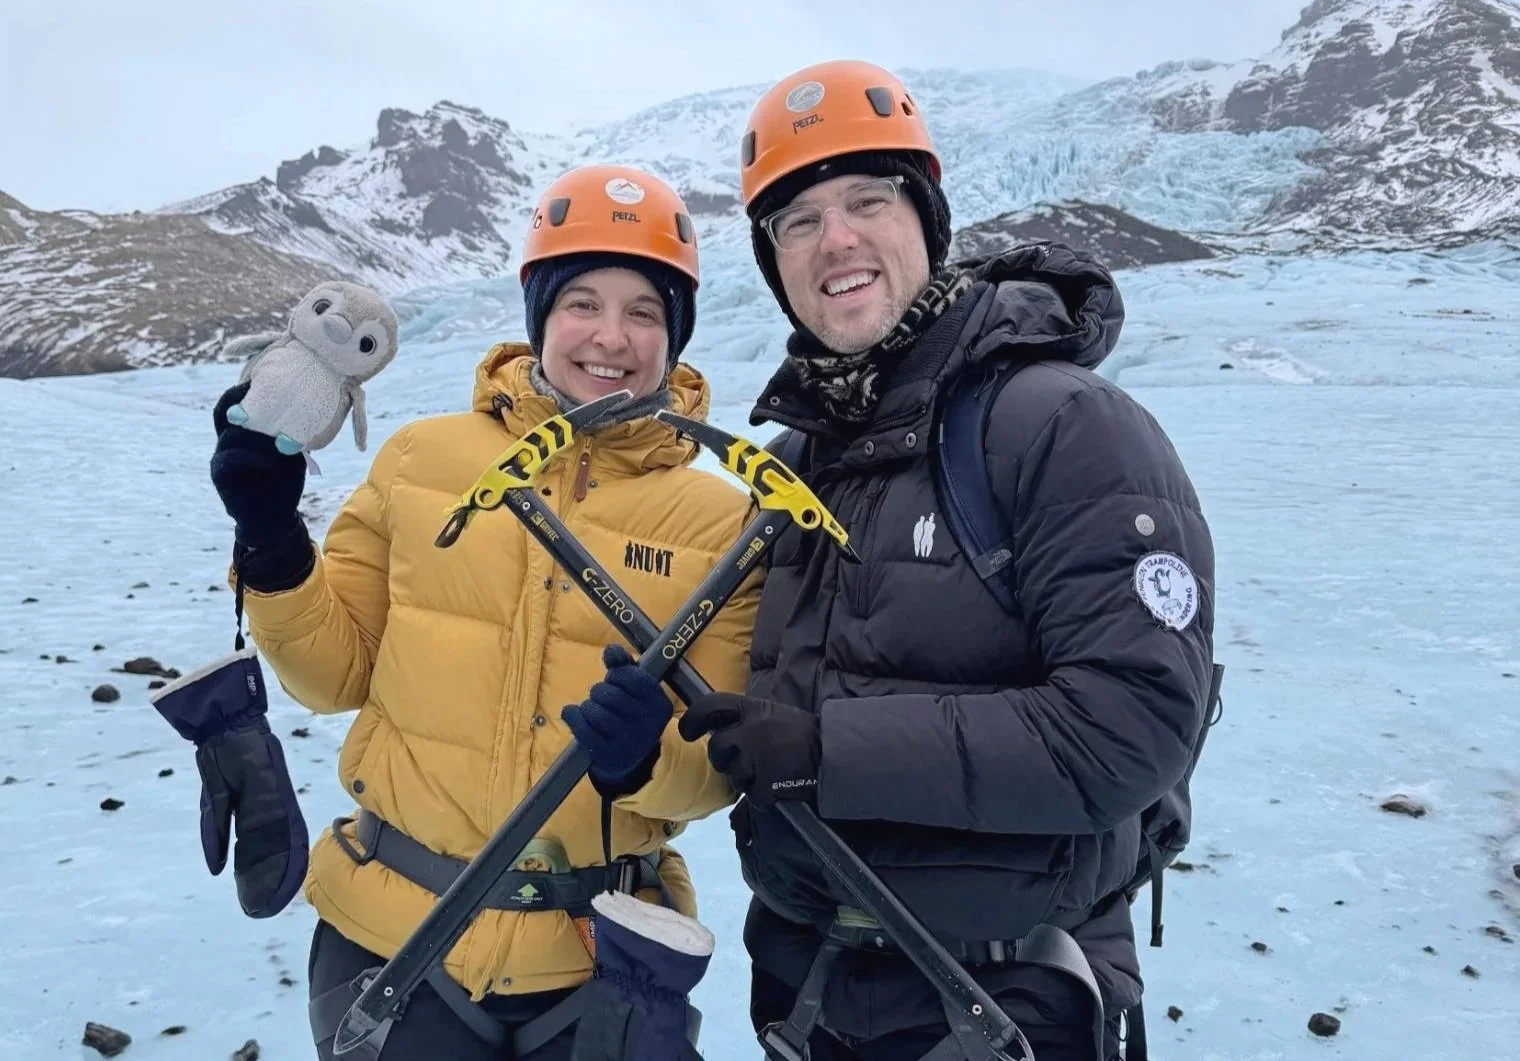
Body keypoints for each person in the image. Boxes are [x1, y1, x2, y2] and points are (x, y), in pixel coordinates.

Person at [677, 60, 1218, 1060]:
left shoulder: (1062, 426)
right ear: (773, 261)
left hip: (1001, 999)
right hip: (808, 989)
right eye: (798, 221)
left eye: (867, 201)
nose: (836, 240)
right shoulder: (792, 465)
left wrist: (831, 748)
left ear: (926, 218)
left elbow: (1129, 727)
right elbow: (754, 714)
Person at [206, 163, 757, 1060]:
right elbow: (332, 673)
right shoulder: (419, 460)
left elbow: (713, 773)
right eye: (581, 302)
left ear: (675, 335)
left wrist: (643, 760)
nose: (610, 336)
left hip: (604, 961)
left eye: (644, 312)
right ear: (540, 315)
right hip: (390, 945)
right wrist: (270, 538)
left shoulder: (722, 523)